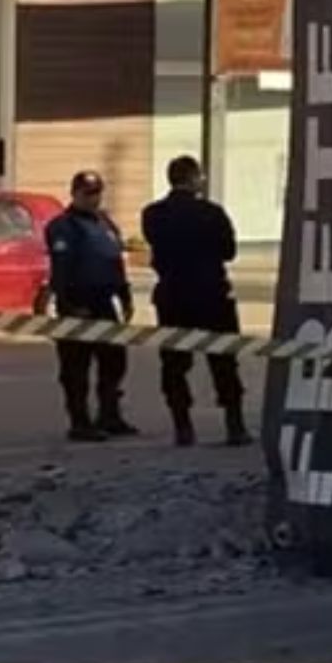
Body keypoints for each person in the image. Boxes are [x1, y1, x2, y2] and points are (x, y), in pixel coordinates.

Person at [142, 156, 251, 448]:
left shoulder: (153, 214)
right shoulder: (212, 213)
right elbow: (229, 251)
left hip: (173, 296)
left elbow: (155, 247)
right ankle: (234, 424)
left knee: (175, 365)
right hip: (212, 295)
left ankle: (183, 426)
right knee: (224, 362)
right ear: (193, 179)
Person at [44, 170, 136, 442]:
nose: (93, 199)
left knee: (114, 361)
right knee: (76, 368)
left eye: (97, 193)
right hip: (76, 303)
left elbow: (114, 262)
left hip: (104, 303)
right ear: (74, 194)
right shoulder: (62, 226)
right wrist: (70, 304)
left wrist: (125, 295)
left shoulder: (105, 223)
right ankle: (79, 422)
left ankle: (109, 415)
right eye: (87, 193)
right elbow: (61, 269)